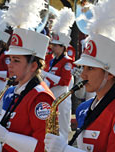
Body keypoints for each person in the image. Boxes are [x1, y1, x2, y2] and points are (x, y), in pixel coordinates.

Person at [42, 7, 75, 141]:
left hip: (61, 94)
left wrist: (47, 74)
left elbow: (64, 81)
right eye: (53, 45)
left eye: (56, 45)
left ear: (62, 47)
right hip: (53, 93)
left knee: (62, 125)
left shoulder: (67, 61)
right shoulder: (53, 59)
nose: (53, 47)